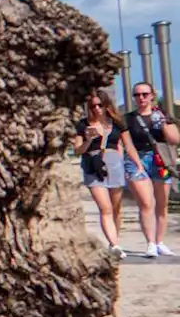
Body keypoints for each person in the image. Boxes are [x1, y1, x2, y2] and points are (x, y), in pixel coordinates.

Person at [74, 89, 156, 258]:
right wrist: (89, 139)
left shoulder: (117, 123)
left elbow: (129, 146)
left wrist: (138, 165)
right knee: (105, 208)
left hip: (114, 166)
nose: (97, 108)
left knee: (115, 208)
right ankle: (114, 244)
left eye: (100, 105)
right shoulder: (83, 125)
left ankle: (114, 241)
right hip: (93, 166)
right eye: (93, 105)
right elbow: (77, 151)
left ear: (106, 105)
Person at [125, 82, 179, 256]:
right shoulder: (129, 118)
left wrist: (162, 122)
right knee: (146, 203)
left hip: (160, 160)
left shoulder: (163, 115)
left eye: (144, 94)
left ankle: (159, 241)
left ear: (152, 95)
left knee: (161, 204)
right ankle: (150, 243)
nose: (141, 98)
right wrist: (136, 163)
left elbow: (174, 139)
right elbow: (126, 143)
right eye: (137, 95)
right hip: (137, 159)